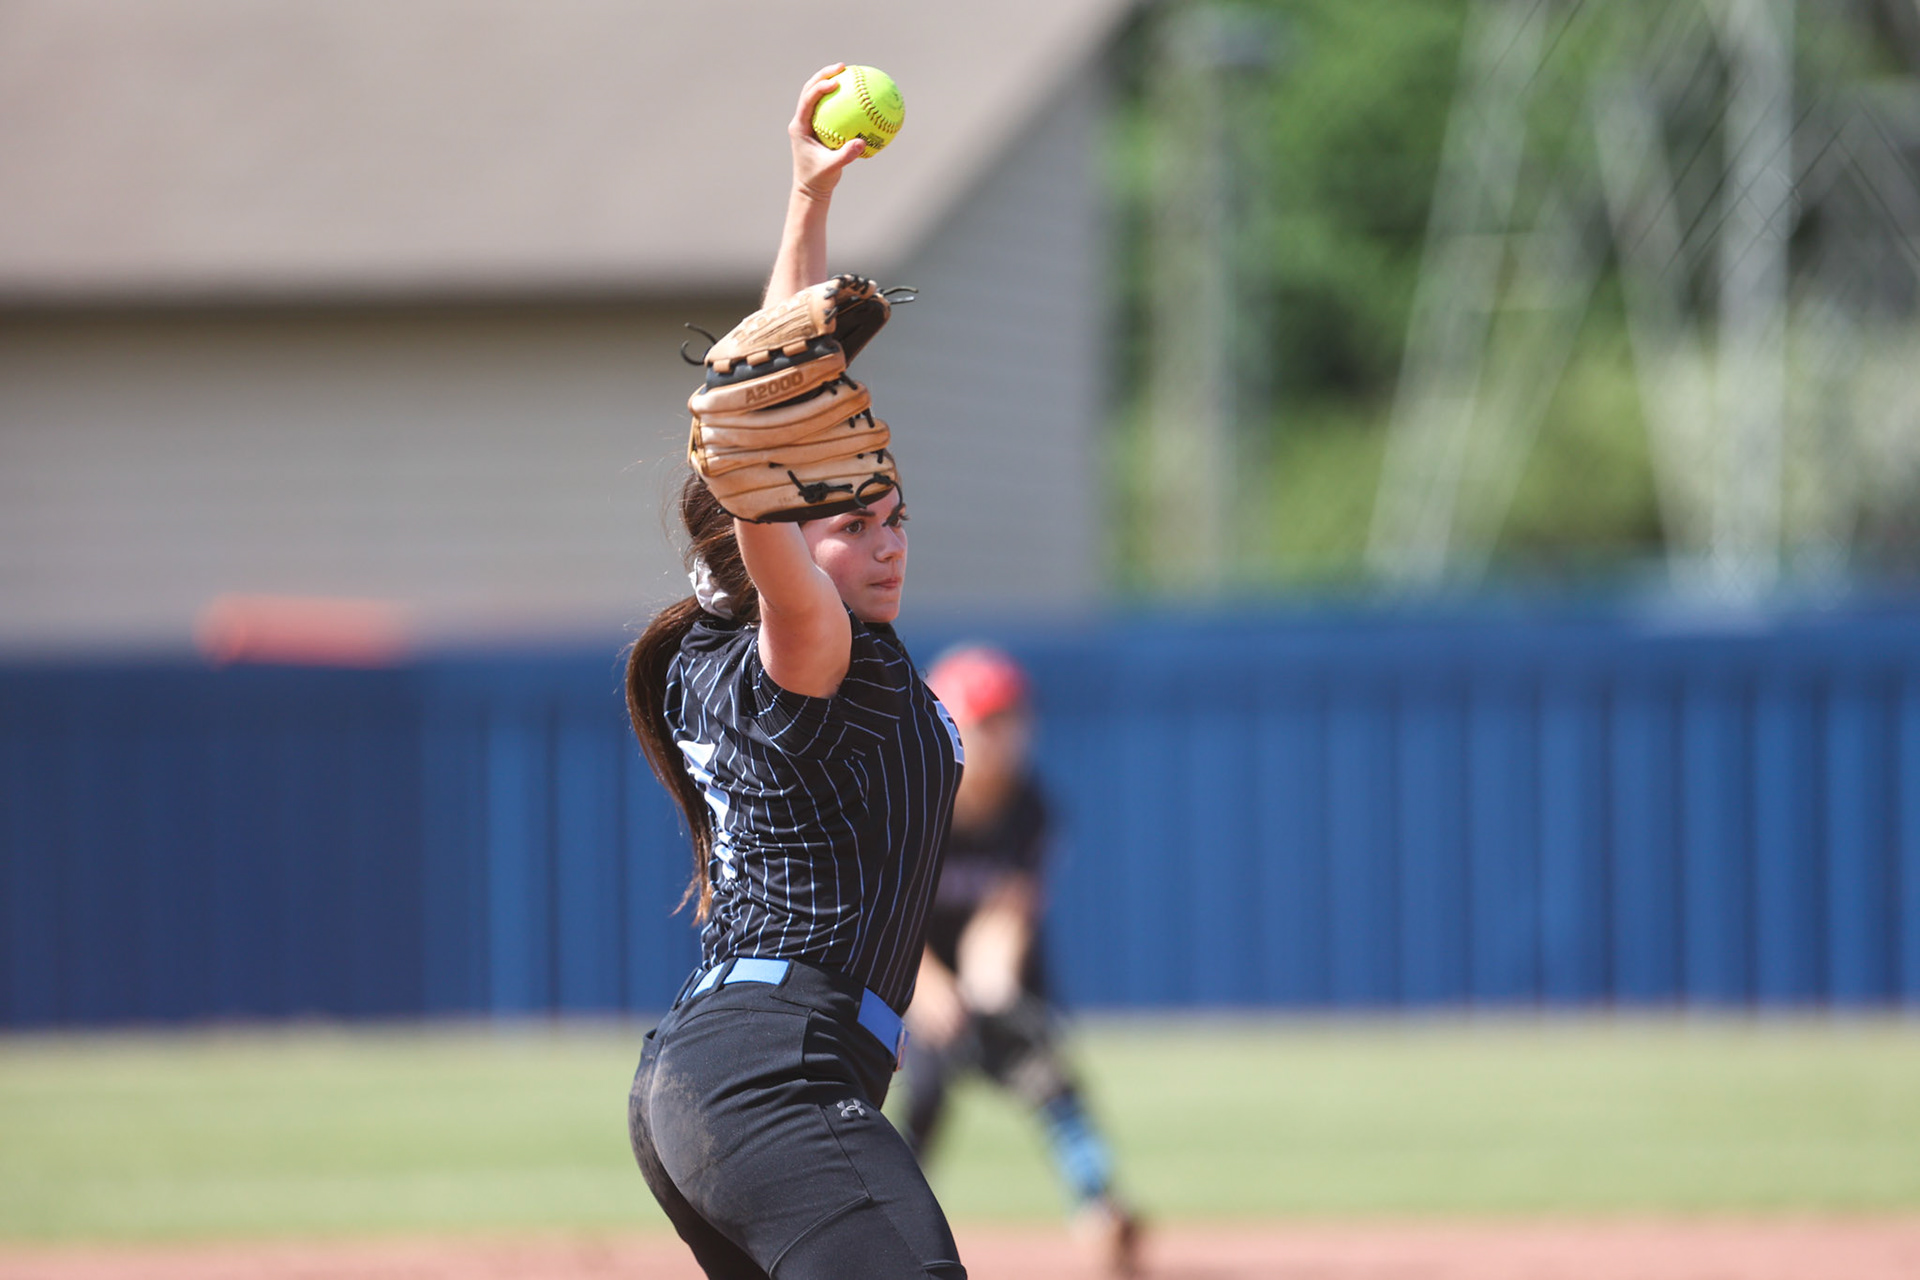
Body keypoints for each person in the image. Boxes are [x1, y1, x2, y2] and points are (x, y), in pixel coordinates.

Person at [623, 66, 967, 1279]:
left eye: (897, 516)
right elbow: (765, 474)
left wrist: (804, 204)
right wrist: (770, 477)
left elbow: (773, 415)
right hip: (776, 1070)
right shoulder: (820, 652)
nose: (887, 541)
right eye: (855, 520)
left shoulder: (708, 644)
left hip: (709, 1076)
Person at [909, 645, 1142, 1276]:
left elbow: (1007, 916)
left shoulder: (1032, 805)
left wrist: (993, 993)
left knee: (1051, 1076)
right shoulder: (913, 804)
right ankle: (887, 1221)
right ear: (946, 723)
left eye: (1013, 718)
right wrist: (928, 989)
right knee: (922, 1091)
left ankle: (1099, 1206)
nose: (1006, 735)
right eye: (987, 720)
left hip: (995, 971)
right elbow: (887, 920)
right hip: (907, 968)